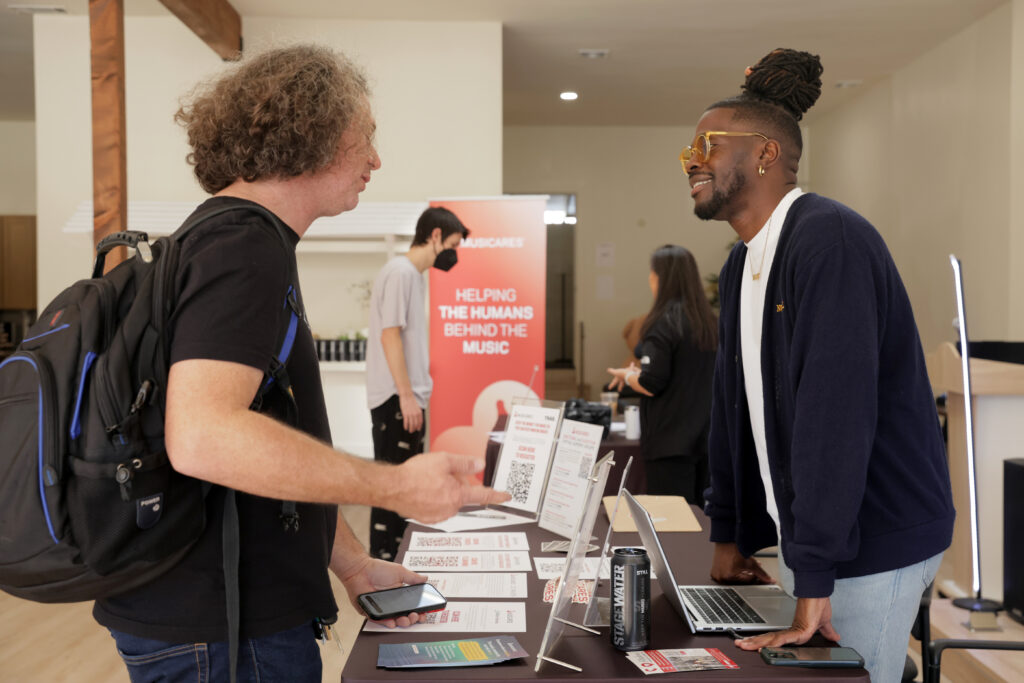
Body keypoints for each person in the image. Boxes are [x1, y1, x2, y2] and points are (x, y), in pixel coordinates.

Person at [92, 44, 508, 683]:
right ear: (314, 132)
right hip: (223, 631)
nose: (376, 159)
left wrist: (352, 563)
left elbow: (268, 447)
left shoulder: (234, 239)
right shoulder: (242, 245)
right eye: (366, 135)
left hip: (220, 617)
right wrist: (392, 486)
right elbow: (203, 437)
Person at [684, 48, 954, 681]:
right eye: (689, 151)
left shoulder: (829, 240)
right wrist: (730, 533)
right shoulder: (743, 262)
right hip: (821, 541)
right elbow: (734, 410)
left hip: (874, 536)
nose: (692, 160)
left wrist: (814, 572)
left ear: (765, 153)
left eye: (707, 145)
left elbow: (833, 418)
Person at [366, 206, 469, 560]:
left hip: (403, 399)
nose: (454, 254)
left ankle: (396, 561)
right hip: (397, 401)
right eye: (452, 245)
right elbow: (390, 335)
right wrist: (406, 396)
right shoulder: (401, 273)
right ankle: (385, 563)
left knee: (405, 487)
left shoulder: (410, 275)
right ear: (435, 236)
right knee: (394, 487)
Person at [607, 245, 717, 504]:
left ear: (659, 278)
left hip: (670, 442)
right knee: (700, 518)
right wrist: (640, 372)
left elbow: (651, 383)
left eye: (652, 272)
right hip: (706, 439)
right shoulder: (709, 322)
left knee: (672, 520)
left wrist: (627, 375)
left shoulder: (663, 322)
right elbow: (684, 372)